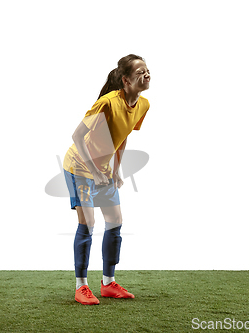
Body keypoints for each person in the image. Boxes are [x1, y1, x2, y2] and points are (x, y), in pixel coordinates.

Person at [63, 54, 151, 305]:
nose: (146, 74)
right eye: (140, 72)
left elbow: (123, 136)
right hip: (79, 166)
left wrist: (115, 170)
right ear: (125, 80)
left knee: (115, 221)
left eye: (147, 70)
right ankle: (81, 287)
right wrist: (96, 171)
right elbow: (78, 136)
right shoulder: (107, 103)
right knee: (88, 223)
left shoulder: (143, 105)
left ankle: (108, 283)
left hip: (102, 169)